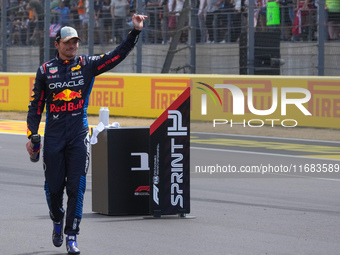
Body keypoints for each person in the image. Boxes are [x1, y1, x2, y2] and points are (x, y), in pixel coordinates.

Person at [25, 14, 147, 255]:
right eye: (68, 42)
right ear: (57, 44)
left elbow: (115, 56)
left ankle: (72, 235)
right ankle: (57, 221)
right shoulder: (45, 71)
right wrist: (32, 135)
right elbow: (35, 107)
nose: (72, 46)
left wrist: (135, 31)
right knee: (53, 189)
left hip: (78, 134)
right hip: (53, 137)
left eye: (75, 42)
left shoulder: (87, 64)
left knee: (77, 188)